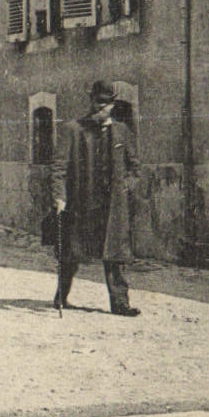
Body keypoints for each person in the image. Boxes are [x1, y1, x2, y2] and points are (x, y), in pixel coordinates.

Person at [51, 79, 140, 317]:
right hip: (82, 203)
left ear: (113, 105)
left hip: (112, 206)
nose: (100, 109)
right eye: (97, 104)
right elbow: (59, 167)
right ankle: (61, 296)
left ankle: (120, 304)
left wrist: (126, 189)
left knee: (115, 254)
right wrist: (60, 197)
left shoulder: (122, 131)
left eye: (105, 105)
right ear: (91, 102)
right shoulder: (74, 129)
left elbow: (135, 168)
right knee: (71, 253)